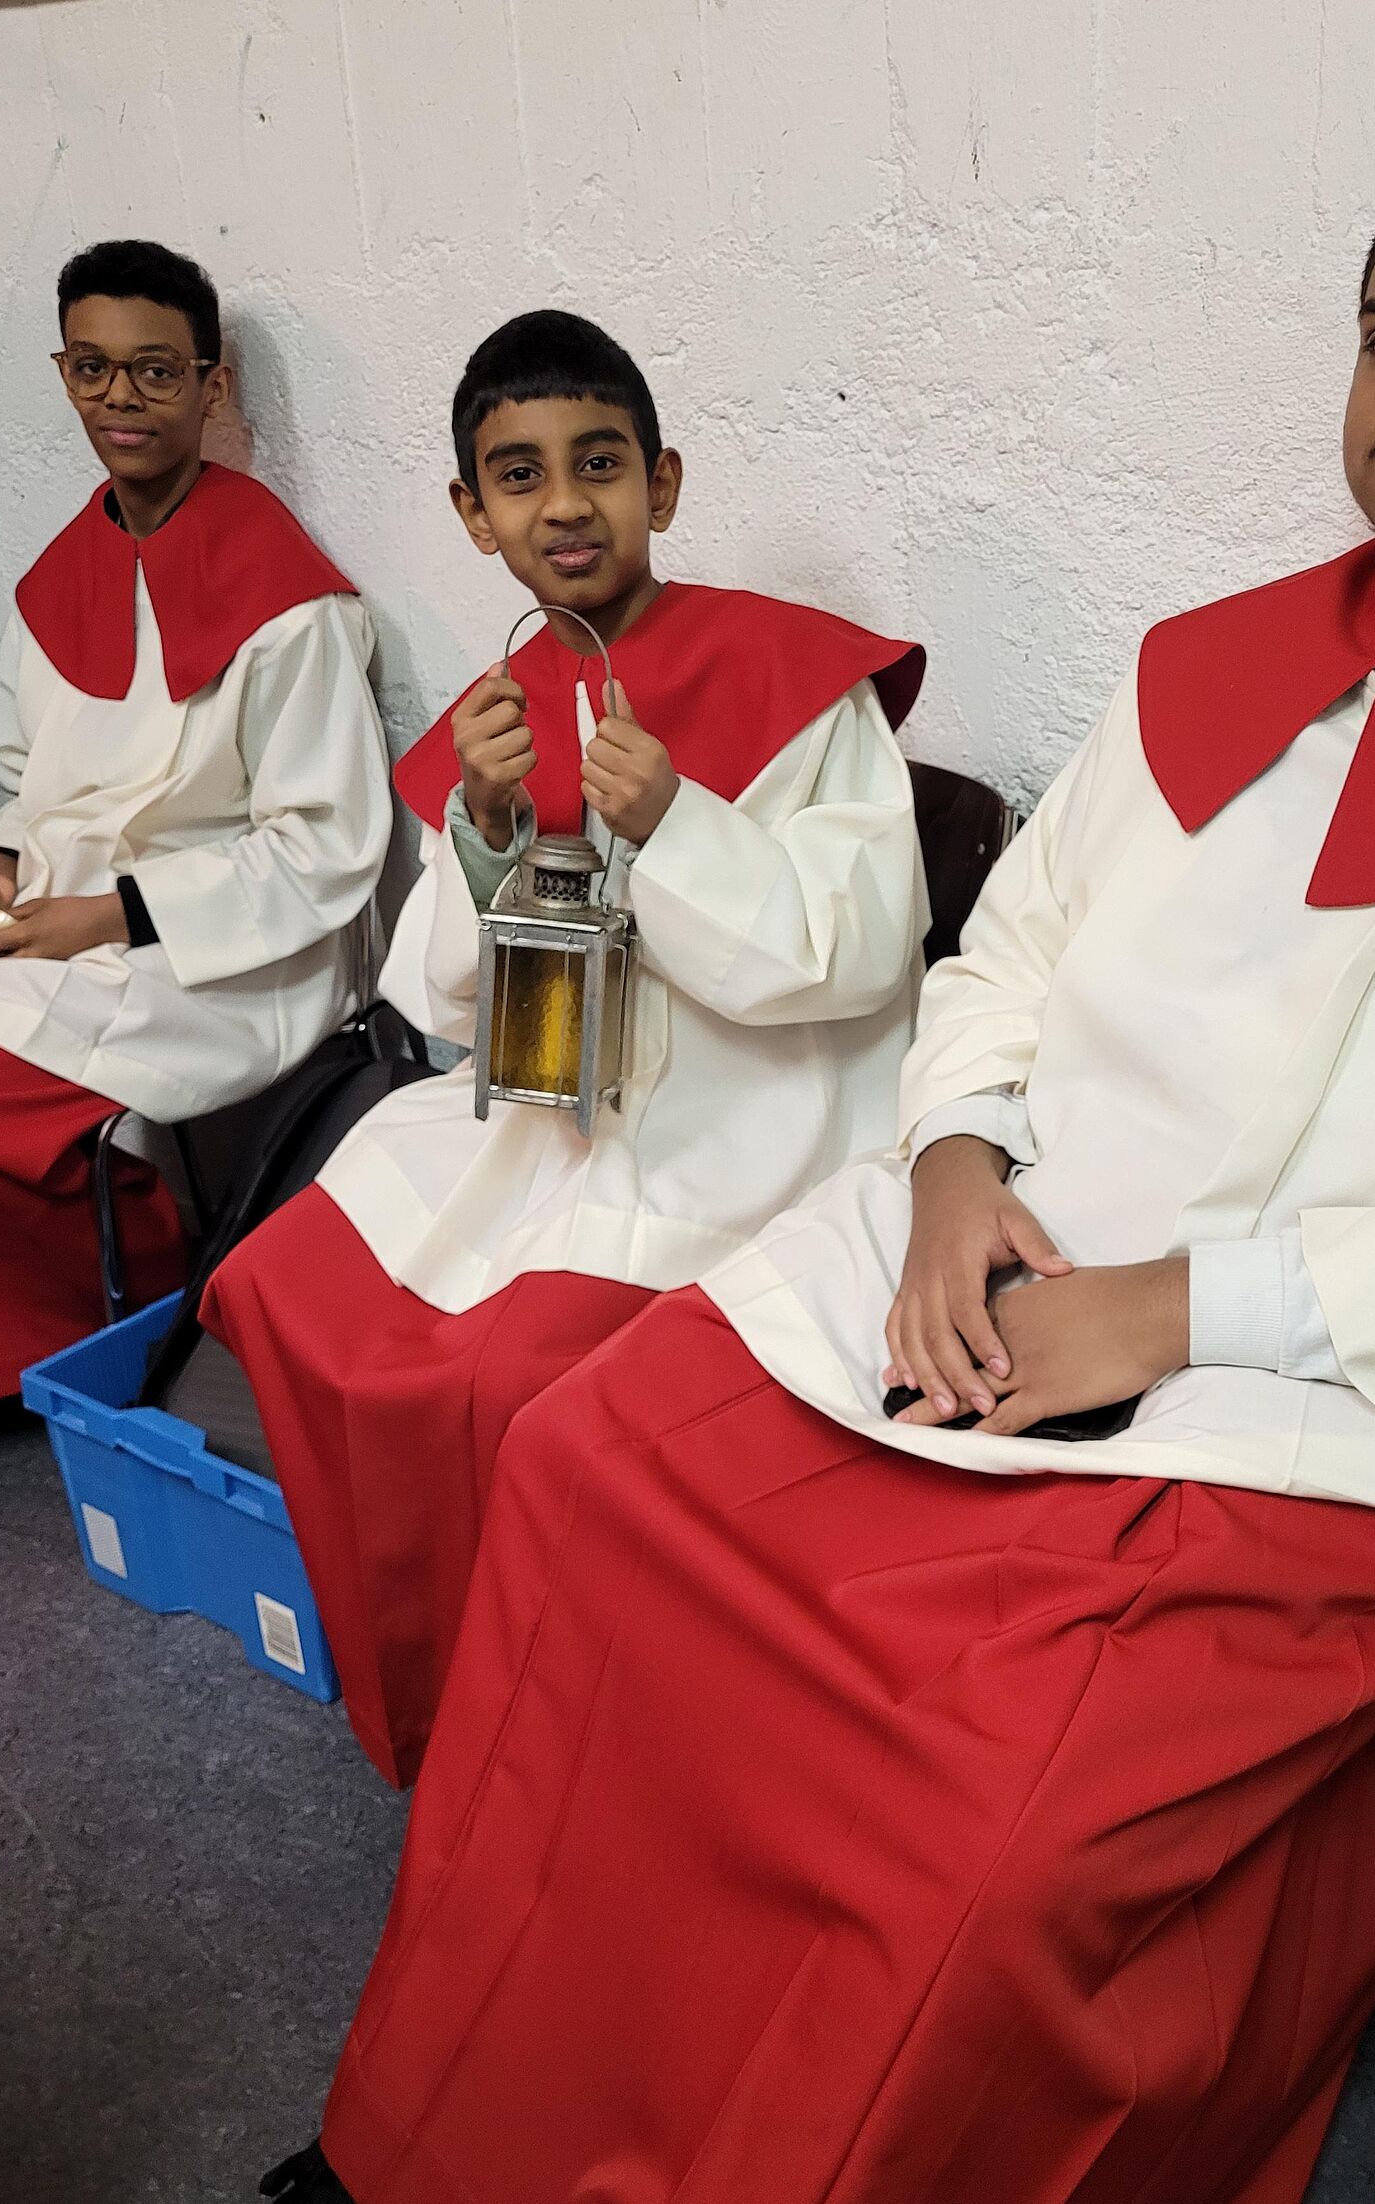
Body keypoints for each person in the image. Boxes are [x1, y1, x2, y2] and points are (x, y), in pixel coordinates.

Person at [81, 130, 1375, 2204]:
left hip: (1345, 1411)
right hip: (1007, 1260)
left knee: (989, 1821)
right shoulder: (1204, 670)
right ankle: (437, 2180)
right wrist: (960, 1162)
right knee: (587, 1476)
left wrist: (1167, 1312)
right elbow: (1000, 973)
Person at [201, 310, 927, 1787]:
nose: (564, 505)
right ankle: (440, 1702)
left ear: (663, 482)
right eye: (518, 476)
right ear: (474, 515)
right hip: (552, 1107)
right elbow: (443, 997)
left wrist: (676, 821)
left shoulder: (799, 679)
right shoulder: (501, 711)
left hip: (747, 1115)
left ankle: (558, 1738)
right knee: (283, 1282)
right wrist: (479, 826)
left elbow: (855, 950)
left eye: (599, 463)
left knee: (505, 1384)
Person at [0, 240, 391, 1445]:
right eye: (92, 368)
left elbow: (323, 848)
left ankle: (99, 1308)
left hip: (227, 941)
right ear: (63, 374)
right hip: (62, 907)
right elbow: (38, 793)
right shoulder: (60, 579)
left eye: (154, 369)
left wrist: (102, 915)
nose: (121, 398)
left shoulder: (288, 600)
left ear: (211, 382)